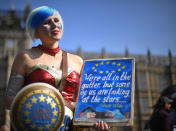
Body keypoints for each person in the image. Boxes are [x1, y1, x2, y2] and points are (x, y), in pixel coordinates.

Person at [1, 6, 110, 131]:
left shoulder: (78, 61)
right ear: (35, 31)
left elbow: (86, 103)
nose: (54, 25)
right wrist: (38, 105)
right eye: (47, 22)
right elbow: (9, 100)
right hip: (37, 125)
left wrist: (100, 121)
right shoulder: (25, 57)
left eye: (56, 20)